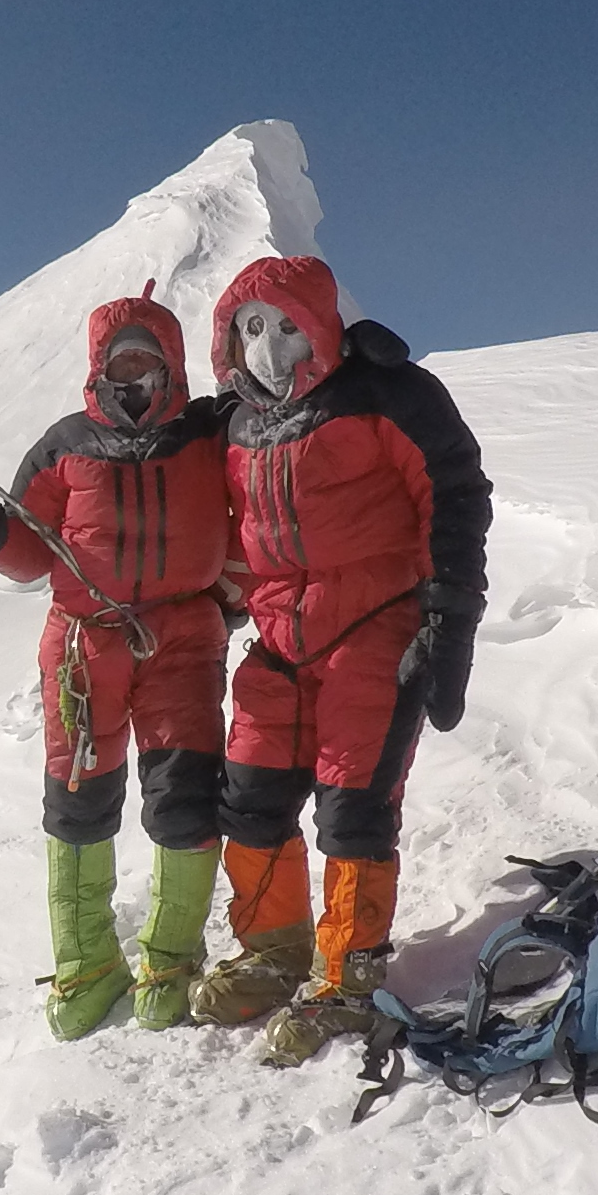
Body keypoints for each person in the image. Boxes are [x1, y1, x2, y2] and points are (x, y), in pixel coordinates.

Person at [186, 253, 493, 1067]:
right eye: (253, 329)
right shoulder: (234, 424)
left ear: (321, 326)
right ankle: (274, 949)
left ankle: (348, 978)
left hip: (376, 623)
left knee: (353, 809)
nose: (272, 347)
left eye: (288, 326)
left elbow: (455, 494)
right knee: (249, 798)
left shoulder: (388, 393)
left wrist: (449, 621)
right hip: (278, 635)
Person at [0, 285, 237, 1038]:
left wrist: (237, 596)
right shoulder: (64, 444)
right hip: (82, 642)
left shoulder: (207, 436)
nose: (135, 375)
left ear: (173, 365)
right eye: (121, 360)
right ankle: (88, 964)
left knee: (182, 793)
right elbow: (32, 551)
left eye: (148, 360)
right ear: (98, 366)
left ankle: (170, 959)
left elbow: (252, 509)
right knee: (79, 800)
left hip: (183, 637)